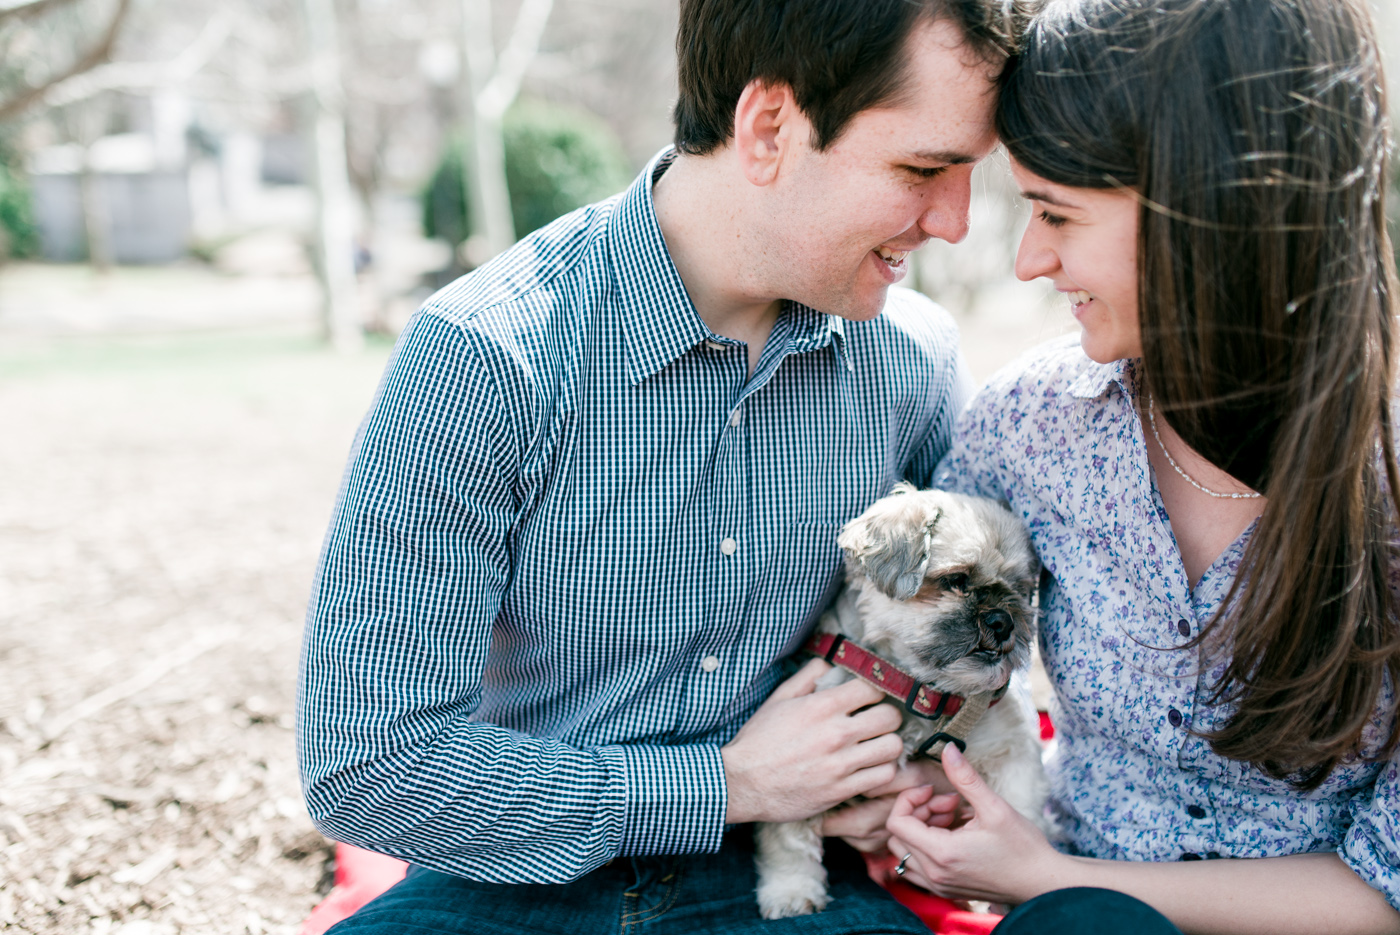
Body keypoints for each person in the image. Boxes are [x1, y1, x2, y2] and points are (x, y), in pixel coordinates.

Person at [297, 1, 1031, 931]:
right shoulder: (487, 356)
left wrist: (913, 784)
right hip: (510, 885)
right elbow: (369, 767)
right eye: (923, 168)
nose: (958, 222)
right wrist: (723, 784)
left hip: (792, 885)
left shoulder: (912, 358)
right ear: (769, 128)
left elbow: (978, 650)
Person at [884, 0, 1400, 933]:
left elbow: (1388, 887)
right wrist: (936, 777)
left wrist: (1047, 879)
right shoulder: (1029, 425)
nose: (1030, 258)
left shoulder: (1382, 481)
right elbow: (918, 637)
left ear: (1210, 212)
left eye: (1057, 213)